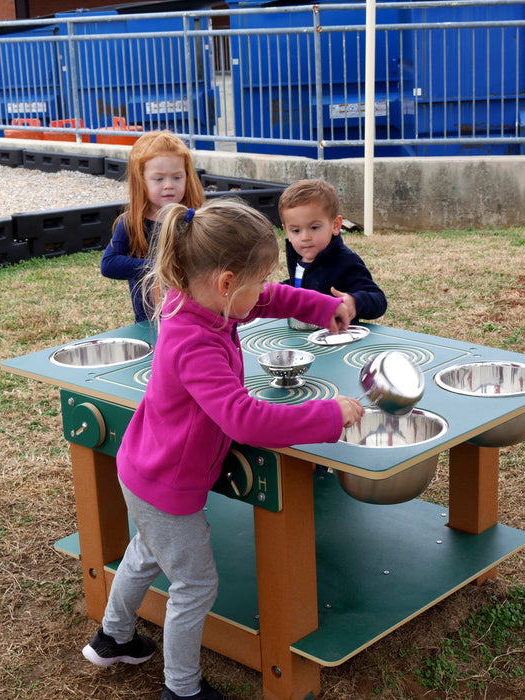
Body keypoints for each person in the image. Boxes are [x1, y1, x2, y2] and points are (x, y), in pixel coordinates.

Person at [82, 198, 365, 700]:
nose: (262, 290)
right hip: (167, 484)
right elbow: (245, 418)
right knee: (195, 586)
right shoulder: (197, 341)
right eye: (256, 279)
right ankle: (182, 689)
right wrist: (329, 415)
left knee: (146, 550)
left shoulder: (198, 300)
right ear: (228, 281)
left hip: (146, 467)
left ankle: (113, 637)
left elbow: (268, 299)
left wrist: (321, 307)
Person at [101, 130, 205, 322]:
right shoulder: (131, 222)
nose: (169, 185)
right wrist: (161, 267)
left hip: (194, 319)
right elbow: (109, 264)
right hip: (149, 323)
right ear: (140, 181)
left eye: (177, 177)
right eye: (159, 179)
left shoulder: (195, 218)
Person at [279, 178, 387, 324]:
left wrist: (355, 302)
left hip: (338, 339)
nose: (305, 237)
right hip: (303, 336)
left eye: (314, 227)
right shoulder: (299, 259)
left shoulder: (346, 261)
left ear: (335, 225)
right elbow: (298, 287)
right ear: (286, 231)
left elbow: (378, 300)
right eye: (296, 230)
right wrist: (274, 292)